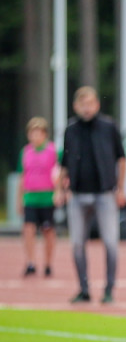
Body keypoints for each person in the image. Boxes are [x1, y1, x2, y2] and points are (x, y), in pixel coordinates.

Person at [55, 86, 126, 305]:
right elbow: (64, 164)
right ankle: (84, 289)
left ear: (97, 105)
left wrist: (121, 188)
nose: (87, 108)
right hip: (77, 194)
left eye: (91, 104)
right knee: (77, 243)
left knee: (110, 243)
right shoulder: (71, 129)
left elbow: (122, 159)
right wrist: (60, 190)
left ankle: (109, 290)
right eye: (82, 104)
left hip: (104, 193)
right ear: (76, 106)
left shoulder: (108, 127)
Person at [17, 117, 60, 278]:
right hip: (30, 197)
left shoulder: (53, 151)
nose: (35, 137)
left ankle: (48, 264)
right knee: (28, 229)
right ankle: (30, 262)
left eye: (38, 133)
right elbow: (22, 176)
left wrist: (59, 191)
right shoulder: (25, 152)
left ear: (44, 135)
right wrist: (19, 198)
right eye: (32, 133)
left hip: (47, 197)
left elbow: (60, 174)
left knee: (48, 231)